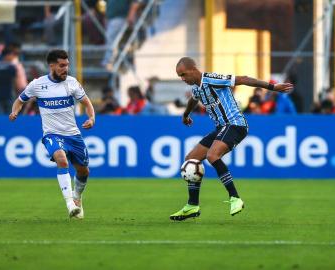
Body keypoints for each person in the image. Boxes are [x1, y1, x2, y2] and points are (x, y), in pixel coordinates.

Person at [170, 57, 293, 221]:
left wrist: (273, 87)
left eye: (183, 74)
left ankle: (235, 198)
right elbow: (194, 99)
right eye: (180, 76)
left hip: (235, 125)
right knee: (190, 159)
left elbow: (243, 79)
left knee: (212, 155)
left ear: (193, 69)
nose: (183, 79)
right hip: (222, 127)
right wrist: (186, 114)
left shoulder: (211, 79)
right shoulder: (197, 88)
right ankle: (192, 206)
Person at [9, 49, 95, 219]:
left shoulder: (72, 83)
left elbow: (87, 103)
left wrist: (91, 118)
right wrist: (15, 112)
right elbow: (20, 100)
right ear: (52, 66)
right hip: (52, 134)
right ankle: (70, 203)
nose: (65, 69)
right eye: (62, 66)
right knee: (61, 160)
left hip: (73, 135)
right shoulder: (37, 84)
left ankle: (77, 198)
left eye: (67, 65)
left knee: (84, 171)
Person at [101, 0, 143, 69]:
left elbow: (136, 3)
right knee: (112, 39)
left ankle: (108, 61)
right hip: (110, 18)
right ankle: (110, 61)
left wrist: (131, 15)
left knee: (111, 39)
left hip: (121, 17)